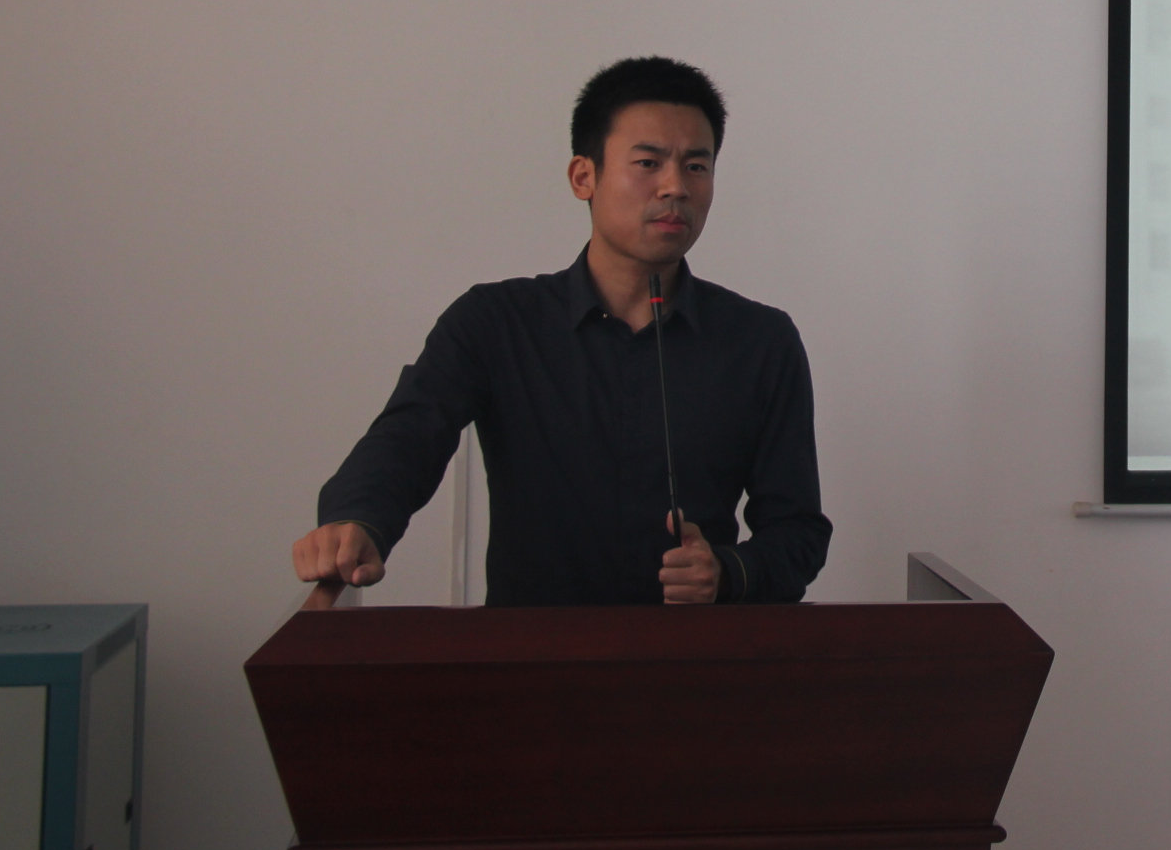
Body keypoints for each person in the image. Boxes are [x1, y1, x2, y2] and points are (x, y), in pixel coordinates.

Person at [290, 57, 830, 605]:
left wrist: (727, 572)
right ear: (583, 176)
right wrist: (357, 521)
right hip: (529, 650)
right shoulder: (495, 323)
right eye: (648, 163)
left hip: (692, 652)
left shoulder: (761, 342)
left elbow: (799, 533)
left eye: (696, 166)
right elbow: (407, 439)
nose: (675, 187)